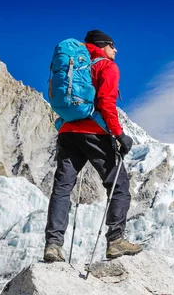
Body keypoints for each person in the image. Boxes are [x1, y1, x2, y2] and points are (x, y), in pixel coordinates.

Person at [44, 29, 140, 262]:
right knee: (118, 186)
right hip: (95, 134)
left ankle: (53, 244)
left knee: (62, 188)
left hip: (68, 132)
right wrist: (119, 135)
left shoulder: (75, 64)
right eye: (113, 45)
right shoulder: (106, 66)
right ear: (103, 45)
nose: (116, 50)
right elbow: (106, 104)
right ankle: (115, 241)